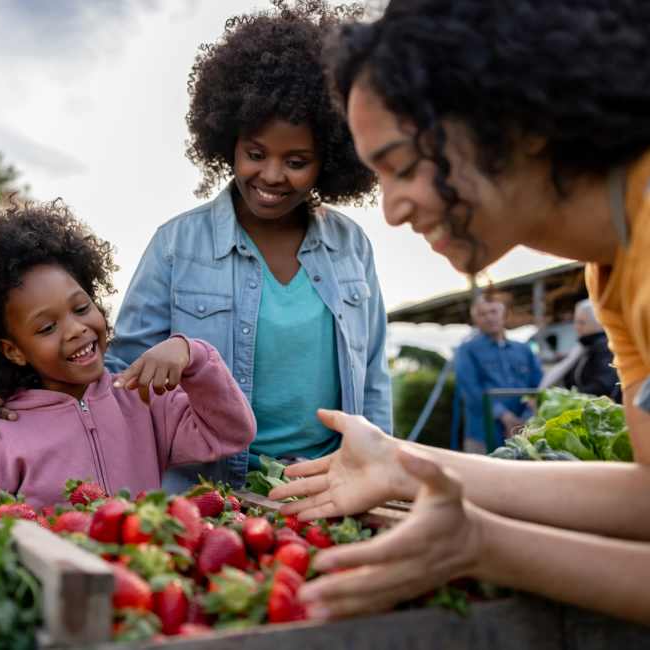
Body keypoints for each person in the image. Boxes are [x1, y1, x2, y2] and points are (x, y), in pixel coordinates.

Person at [269, 0, 650, 625]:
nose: (390, 210)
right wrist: (404, 464)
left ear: (519, 118)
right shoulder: (610, 270)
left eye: (406, 167)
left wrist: (483, 546)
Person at [0, 0, 391, 493]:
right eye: (255, 154)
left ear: (330, 159)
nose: (271, 175)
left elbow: (373, 375)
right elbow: (114, 374)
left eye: (297, 160)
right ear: (227, 141)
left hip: (329, 482)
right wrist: (5, 400)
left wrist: (382, 467)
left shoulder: (350, 246)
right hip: (212, 490)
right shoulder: (177, 245)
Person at [0, 199, 255, 507]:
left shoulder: (143, 398)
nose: (76, 328)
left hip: (145, 570)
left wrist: (191, 353)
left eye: (81, 307)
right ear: (14, 351)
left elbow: (231, 434)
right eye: (47, 328)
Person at [454, 294, 543, 452]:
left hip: (525, 434)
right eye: (482, 314)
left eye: (493, 311)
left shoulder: (524, 350)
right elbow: (471, 391)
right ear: (475, 320)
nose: (489, 317)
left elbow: (538, 386)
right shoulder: (466, 351)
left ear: (504, 314)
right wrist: (505, 417)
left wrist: (525, 418)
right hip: (483, 436)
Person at [558, 299, 622, 402]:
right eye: (576, 322)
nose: (577, 327)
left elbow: (603, 384)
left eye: (582, 323)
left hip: (596, 406)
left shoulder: (604, 346)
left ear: (597, 322)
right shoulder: (584, 346)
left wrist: (572, 397)